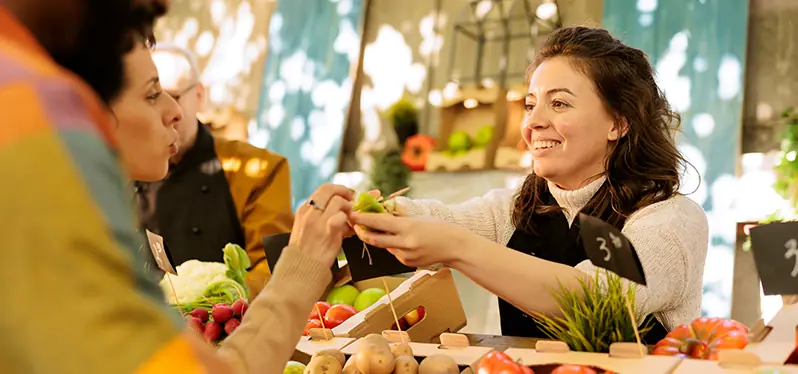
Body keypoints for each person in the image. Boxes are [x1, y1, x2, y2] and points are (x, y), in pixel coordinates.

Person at [1, 1, 353, 373]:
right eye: (152, 94)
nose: (176, 112)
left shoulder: (260, 169)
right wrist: (302, 266)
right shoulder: (38, 131)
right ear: (89, 108)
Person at [351, 26, 708, 340]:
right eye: (530, 103)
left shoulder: (669, 221)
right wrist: (355, 215)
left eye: (559, 103)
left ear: (618, 124)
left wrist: (457, 248)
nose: (532, 122)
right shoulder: (517, 210)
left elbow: (597, 297)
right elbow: (429, 219)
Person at [132, 44, 294, 297]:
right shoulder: (118, 172)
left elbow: (274, 264)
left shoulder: (258, 169)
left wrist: (215, 304)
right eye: (151, 98)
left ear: (198, 95)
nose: (166, 113)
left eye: (172, 96)